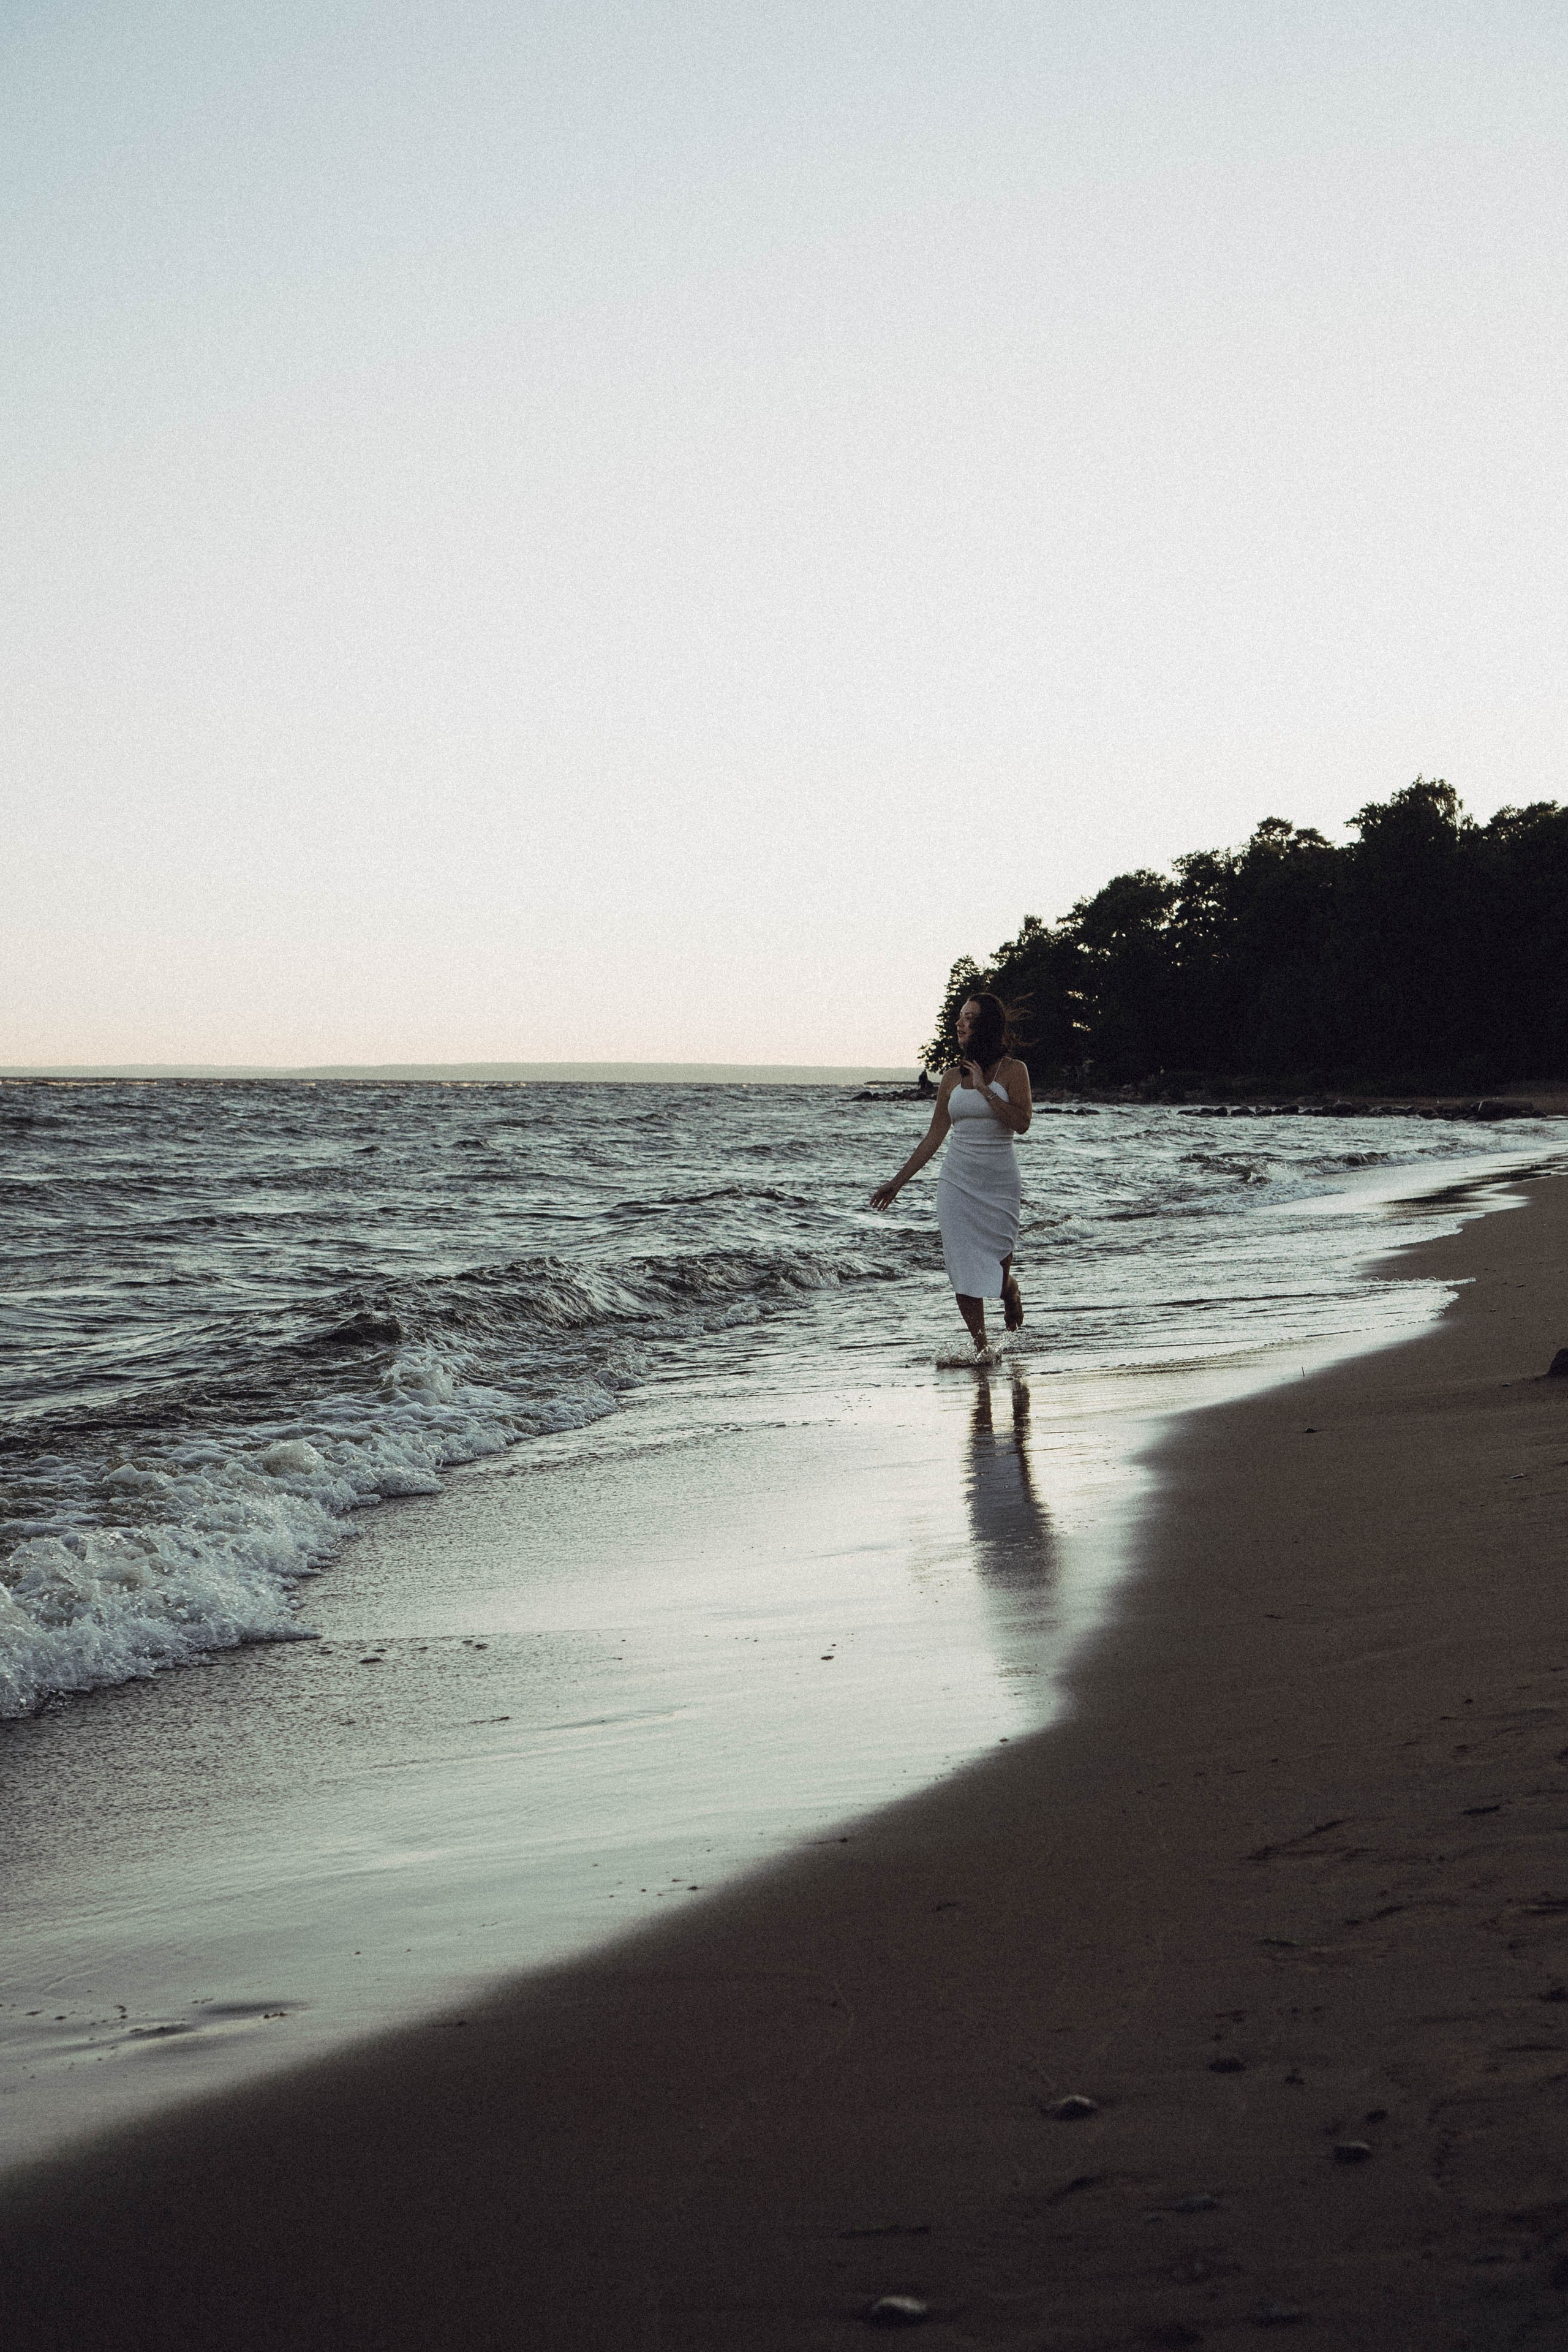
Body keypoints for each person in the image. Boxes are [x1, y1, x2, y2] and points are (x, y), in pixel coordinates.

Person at [869, 992, 1031, 1352]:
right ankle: (981, 1349)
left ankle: (1010, 1290)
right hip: (956, 1181)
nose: (959, 1023)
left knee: (997, 1268)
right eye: (960, 1017)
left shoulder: (1013, 1071)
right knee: (961, 1264)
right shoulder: (949, 1079)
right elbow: (934, 1137)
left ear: (985, 1024)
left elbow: (1022, 1123)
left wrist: (987, 1091)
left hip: (999, 1182)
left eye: (969, 1018)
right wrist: (897, 1182)